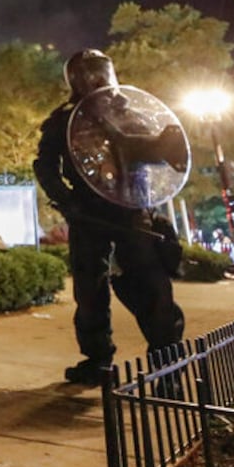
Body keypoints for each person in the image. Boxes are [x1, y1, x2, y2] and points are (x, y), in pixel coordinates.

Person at [34, 48, 185, 385]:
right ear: (73, 80)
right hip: (87, 214)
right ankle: (97, 360)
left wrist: (164, 146)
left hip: (132, 210)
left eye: (98, 70)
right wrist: (66, 200)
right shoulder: (64, 120)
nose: (93, 78)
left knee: (152, 288)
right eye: (84, 73)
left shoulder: (133, 116)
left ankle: (168, 367)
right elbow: (45, 166)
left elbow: (160, 156)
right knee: (90, 291)